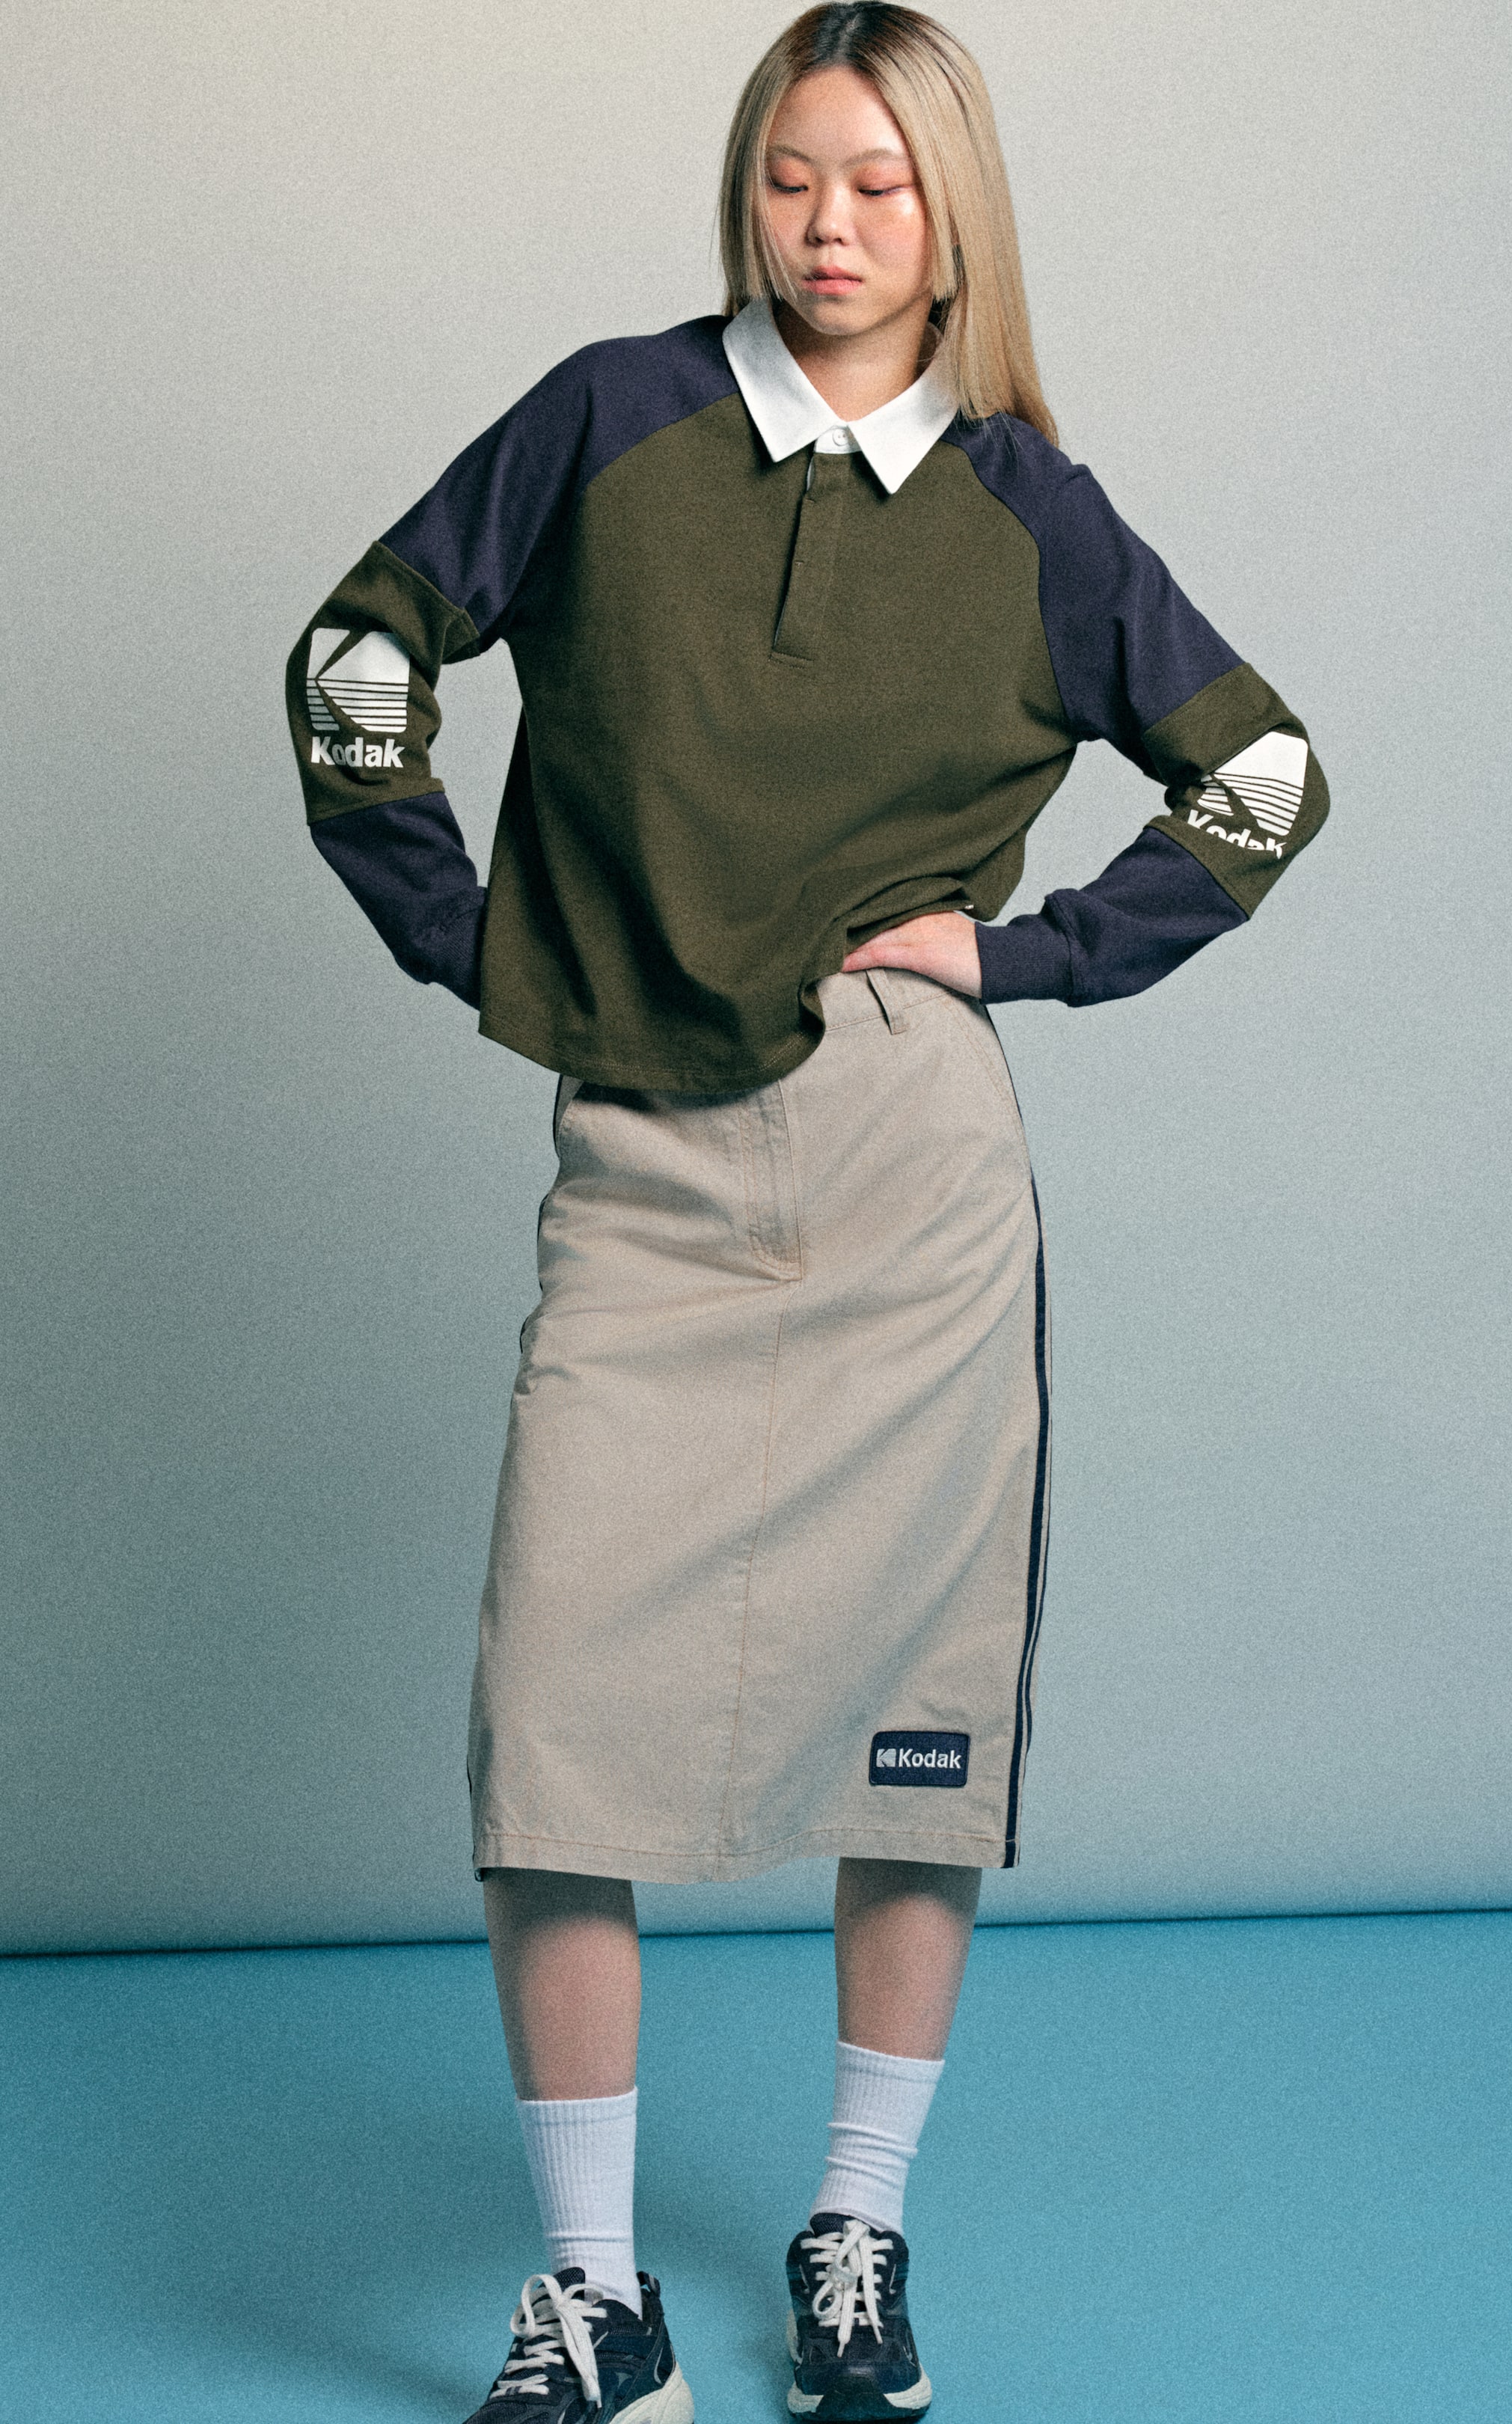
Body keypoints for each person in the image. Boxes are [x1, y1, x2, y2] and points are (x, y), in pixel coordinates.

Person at [285, 6, 1327, 2417]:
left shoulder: (1032, 514)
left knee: (911, 1724)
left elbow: (1264, 774)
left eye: (878, 181)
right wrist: (478, 938)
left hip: (908, 1176)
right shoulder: (606, 422)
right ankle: (596, 2300)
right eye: (789, 176)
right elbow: (356, 654)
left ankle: (857, 2233)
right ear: (743, 192)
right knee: (553, 1736)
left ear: (957, 216)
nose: (830, 225)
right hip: (643, 1163)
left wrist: (1033, 955)